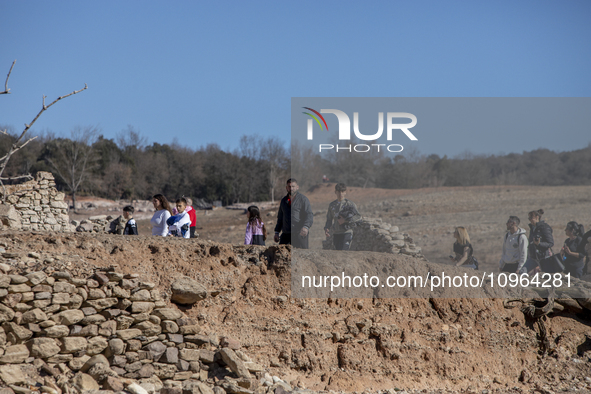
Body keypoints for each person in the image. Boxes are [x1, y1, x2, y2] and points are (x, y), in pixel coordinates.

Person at [274, 178, 313, 249]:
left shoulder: (303, 200)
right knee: (281, 255)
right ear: (286, 188)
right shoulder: (283, 201)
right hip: (286, 234)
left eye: (293, 186)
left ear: (297, 187)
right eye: (289, 186)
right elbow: (280, 217)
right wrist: (277, 232)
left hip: (299, 234)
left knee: (301, 257)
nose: (291, 188)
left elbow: (309, 215)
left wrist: (306, 227)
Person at [324, 183, 361, 250]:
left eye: (342, 192)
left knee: (344, 251)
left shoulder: (350, 204)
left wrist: (345, 220)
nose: (340, 194)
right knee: (338, 254)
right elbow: (329, 219)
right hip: (336, 233)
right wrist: (327, 228)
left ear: (345, 192)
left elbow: (358, 217)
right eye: (338, 192)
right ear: (335, 192)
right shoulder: (332, 205)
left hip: (347, 232)